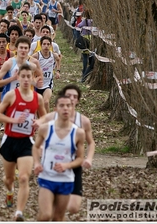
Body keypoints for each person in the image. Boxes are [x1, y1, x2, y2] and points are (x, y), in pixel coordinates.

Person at [0, 63, 46, 221]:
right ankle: (10, 192)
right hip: (10, 141)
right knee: (9, 179)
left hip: (26, 142)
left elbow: (46, 117)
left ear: (32, 79)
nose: (25, 79)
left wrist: (39, 122)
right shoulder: (11, 95)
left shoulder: (38, 98)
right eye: (22, 76)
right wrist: (13, 120)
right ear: (18, 76)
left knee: (23, 178)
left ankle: (19, 213)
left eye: (28, 77)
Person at [38, 84, 95, 218]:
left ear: (78, 100)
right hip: (52, 166)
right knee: (49, 213)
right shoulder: (52, 117)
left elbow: (91, 142)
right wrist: (40, 148)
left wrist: (89, 158)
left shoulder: (84, 121)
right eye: (69, 96)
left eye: (75, 97)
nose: (72, 99)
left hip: (73, 166)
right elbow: (39, 128)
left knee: (73, 208)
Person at [32, 94, 85, 221]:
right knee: (46, 215)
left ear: (73, 109)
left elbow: (80, 159)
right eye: (62, 105)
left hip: (66, 179)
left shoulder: (78, 133)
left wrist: (66, 165)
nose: (65, 108)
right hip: (47, 177)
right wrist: (36, 163)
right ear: (55, 109)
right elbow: (35, 147)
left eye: (69, 106)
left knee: (58, 218)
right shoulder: (45, 129)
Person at [30, 36, 61, 113]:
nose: (46, 46)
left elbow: (58, 60)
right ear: (41, 45)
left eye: (48, 44)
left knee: (46, 102)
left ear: (51, 45)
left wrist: (58, 71)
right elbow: (28, 63)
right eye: (44, 44)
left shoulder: (53, 55)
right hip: (37, 85)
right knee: (37, 105)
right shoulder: (36, 56)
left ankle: (48, 120)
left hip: (48, 84)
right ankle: (40, 120)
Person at [76, 9, 94, 83]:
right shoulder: (93, 22)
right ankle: (87, 71)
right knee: (91, 56)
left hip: (84, 40)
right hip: (91, 40)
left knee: (85, 57)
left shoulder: (85, 21)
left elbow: (78, 26)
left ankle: (84, 72)